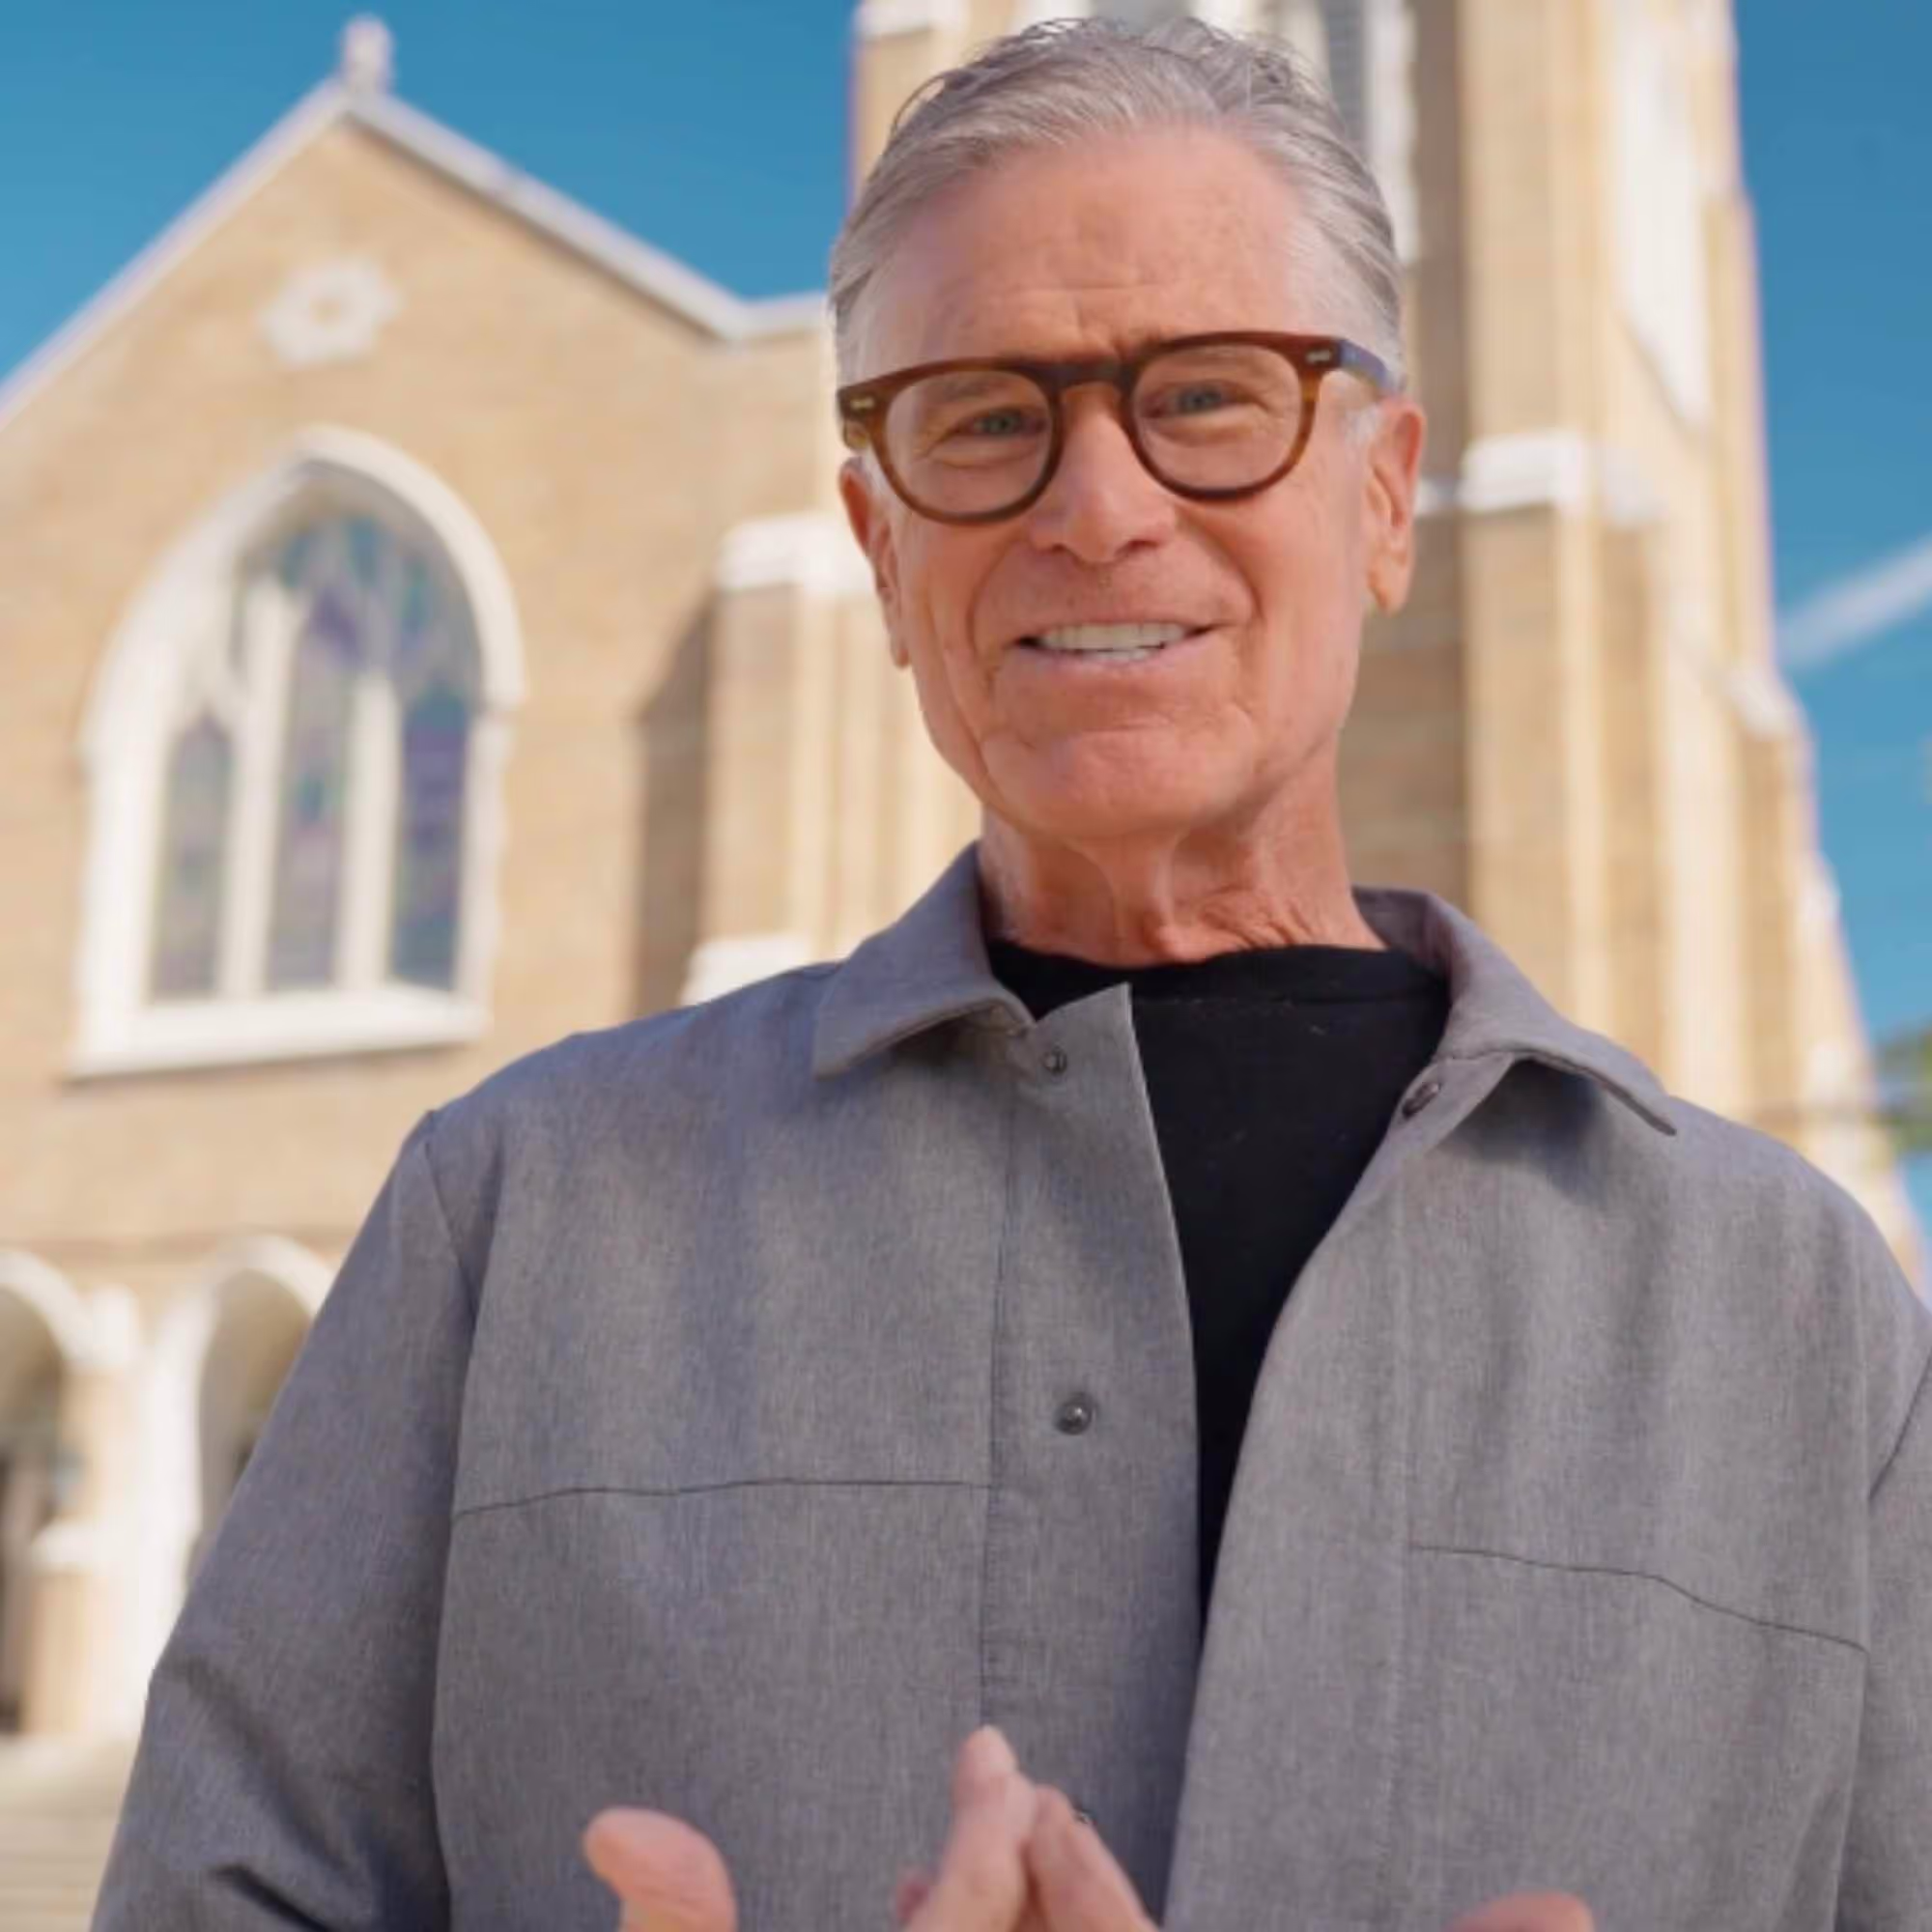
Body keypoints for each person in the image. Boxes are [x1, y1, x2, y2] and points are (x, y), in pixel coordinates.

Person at [93, 17, 1930, 1932]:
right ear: (880, 553)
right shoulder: (514, 1224)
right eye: (981, 418)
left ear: (1384, 494)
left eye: (1212, 398)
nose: (1097, 505)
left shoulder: (1799, 1318)